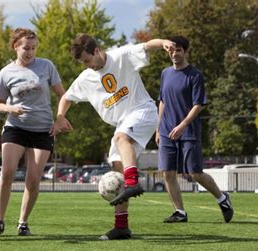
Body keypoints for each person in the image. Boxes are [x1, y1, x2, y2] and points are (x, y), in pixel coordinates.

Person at [52, 33, 175, 240]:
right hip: (123, 123)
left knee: (121, 139)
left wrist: (163, 42)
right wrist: (60, 116)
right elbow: (66, 97)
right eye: (83, 63)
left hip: (142, 111)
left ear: (97, 51)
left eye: (87, 60)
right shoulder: (86, 78)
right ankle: (121, 226)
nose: (87, 66)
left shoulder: (121, 55)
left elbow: (146, 46)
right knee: (118, 168)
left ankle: (133, 182)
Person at [0, 28, 66, 237]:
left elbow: (63, 95)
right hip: (15, 127)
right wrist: (10, 109)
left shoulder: (46, 66)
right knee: (8, 172)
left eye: (33, 48)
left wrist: (59, 119)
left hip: (43, 129)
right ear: (15, 46)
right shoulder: (6, 72)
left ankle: (23, 223)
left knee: (33, 179)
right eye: (26, 48)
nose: (30, 52)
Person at [156, 35, 234, 223]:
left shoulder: (195, 75)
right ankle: (180, 212)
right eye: (171, 50)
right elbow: (162, 101)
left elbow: (198, 105)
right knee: (167, 172)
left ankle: (222, 199)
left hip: (188, 131)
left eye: (179, 50)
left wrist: (183, 125)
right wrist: (158, 129)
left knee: (195, 173)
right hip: (167, 131)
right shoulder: (165, 73)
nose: (174, 54)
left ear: (186, 51)